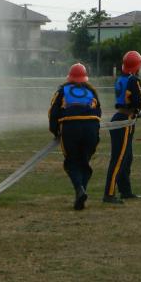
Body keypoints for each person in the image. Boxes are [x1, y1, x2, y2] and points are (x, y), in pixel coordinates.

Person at [48, 63, 101, 210]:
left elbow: (53, 112)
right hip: (91, 128)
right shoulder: (91, 91)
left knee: (71, 162)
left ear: (69, 77)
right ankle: (81, 194)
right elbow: (99, 111)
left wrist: (55, 131)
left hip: (71, 127)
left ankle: (79, 189)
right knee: (84, 162)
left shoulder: (62, 91)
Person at [103, 50, 141, 204]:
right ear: (137, 66)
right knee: (119, 158)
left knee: (127, 158)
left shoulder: (121, 78)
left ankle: (125, 191)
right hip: (125, 120)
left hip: (121, 117)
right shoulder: (133, 80)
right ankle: (109, 194)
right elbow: (138, 101)